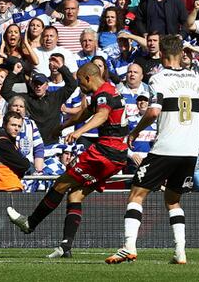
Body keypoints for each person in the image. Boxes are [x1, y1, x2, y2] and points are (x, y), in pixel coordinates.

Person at [106, 35, 199, 265]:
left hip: (165, 148)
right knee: (172, 200)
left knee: (136, 194)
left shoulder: (158, 78)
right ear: (181, 53)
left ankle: (129, 246)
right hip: (189, 151)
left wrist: (135, 132)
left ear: (162, 54)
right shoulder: (196, 79)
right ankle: (180, 252)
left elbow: (154, 111)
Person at [7, 62, 129, 259]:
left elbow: (101, 115)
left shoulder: (103, 95)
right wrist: (63, 126)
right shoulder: (107, 92)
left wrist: (80, 131)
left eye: (80, 81)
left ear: (89, 78)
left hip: (104, 153)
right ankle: (66, 246)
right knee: (75, 196)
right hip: (118, 158)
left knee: (60, 184)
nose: (80, 86)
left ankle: (30, 223)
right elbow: (86, 112)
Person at [0, 111, 30, 192]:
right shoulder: (3, 143)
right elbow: (24, 164)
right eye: (13, 125)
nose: (16, 128)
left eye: (19, 126)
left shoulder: (1, 140)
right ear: (4, 125)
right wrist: (26, 162)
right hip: (4, 187)